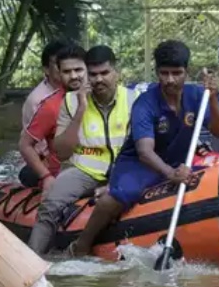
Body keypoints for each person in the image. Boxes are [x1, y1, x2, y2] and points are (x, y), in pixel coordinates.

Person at [68, 40, 219, 257]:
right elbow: (145, 152)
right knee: (117, 196)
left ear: (187, 72)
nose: (170, 79)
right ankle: (82, 244)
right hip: (141, 164)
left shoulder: (200, 96)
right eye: (164, 73)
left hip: (180, 159)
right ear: (156, 72)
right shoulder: (145, 103)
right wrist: (170, 174)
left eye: (177, 73)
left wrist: (212, 100)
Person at [27, 45, 138, 256]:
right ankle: (32, 262)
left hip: (124, 170)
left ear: (116, 73)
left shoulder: (133, 100)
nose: (98, 80)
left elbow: (139, 149)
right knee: (50, 206)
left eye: (104, 73)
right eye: (93, 74)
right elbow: (61, 153)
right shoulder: (70, 102)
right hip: (84, 171)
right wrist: (80, 110)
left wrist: (113, 182)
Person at [18, 44, 86, 189]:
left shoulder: (109, 96)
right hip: (65, 174)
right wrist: (46, 176)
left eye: (78, 70)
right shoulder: (49, 105)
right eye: (67, 71)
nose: (74, 76)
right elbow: (25, 145)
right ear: (59, 73)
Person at [18, 40, 67, 183]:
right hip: (41, 159)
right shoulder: (38, 100)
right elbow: (36, 148)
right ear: (46, 69)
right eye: (57, 64)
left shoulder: (78, 93)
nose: (63, 68)